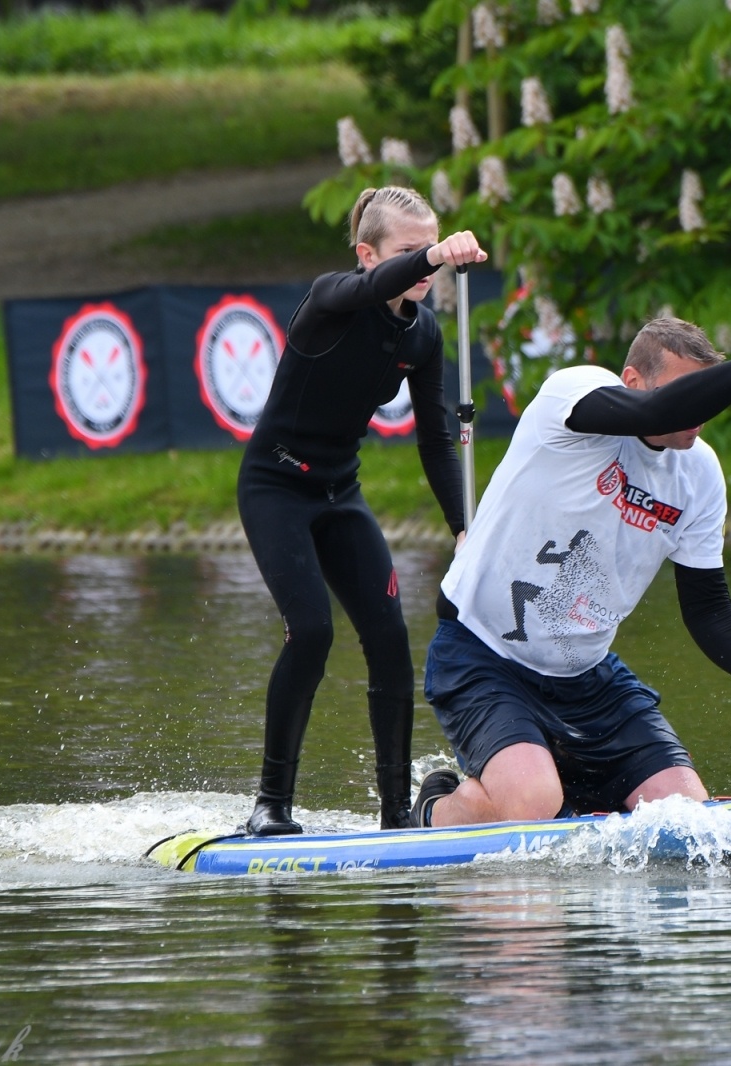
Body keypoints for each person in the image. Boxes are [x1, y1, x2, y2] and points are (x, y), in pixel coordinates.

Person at [413, 315, 731, 828]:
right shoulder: (573, 395)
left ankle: (572, 784)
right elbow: (661, 409)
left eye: (707, 388)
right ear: (632, 382)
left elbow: (708, 609)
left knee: (686, 819)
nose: (702, 411)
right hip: (482, 656)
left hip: (588, 678)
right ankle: (436, 806)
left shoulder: (698, 474)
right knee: (533, 805)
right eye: (690, 391)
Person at [237, 185, 486, 835]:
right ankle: (272, 805)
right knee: (312, 631)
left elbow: (435, 440)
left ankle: (395, 816)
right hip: (276, 485)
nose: (425, 269)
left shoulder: (424, 334)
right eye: (409, 254)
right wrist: (435, 254)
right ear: (366, 254)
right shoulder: (330, 300)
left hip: (339, 493)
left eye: (428, 249)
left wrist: (465, 528)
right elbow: (365, 291)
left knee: (391, 645)